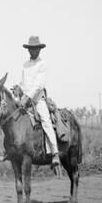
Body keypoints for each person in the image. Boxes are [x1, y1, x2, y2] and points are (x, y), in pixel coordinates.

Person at [16, 36, 61, 169]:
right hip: (25, 99)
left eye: (35, 49)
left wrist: (27, 98)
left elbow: (39, 86)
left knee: (46, 121)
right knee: (12, 117)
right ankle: (11, 150)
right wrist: (18, 89)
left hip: (37, 100)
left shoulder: (42, 64)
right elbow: (22, 82)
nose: (33, 51)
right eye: (31, 49)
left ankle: (55, 152)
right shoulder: (25, 65)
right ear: (28, 50)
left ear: (39, 50)